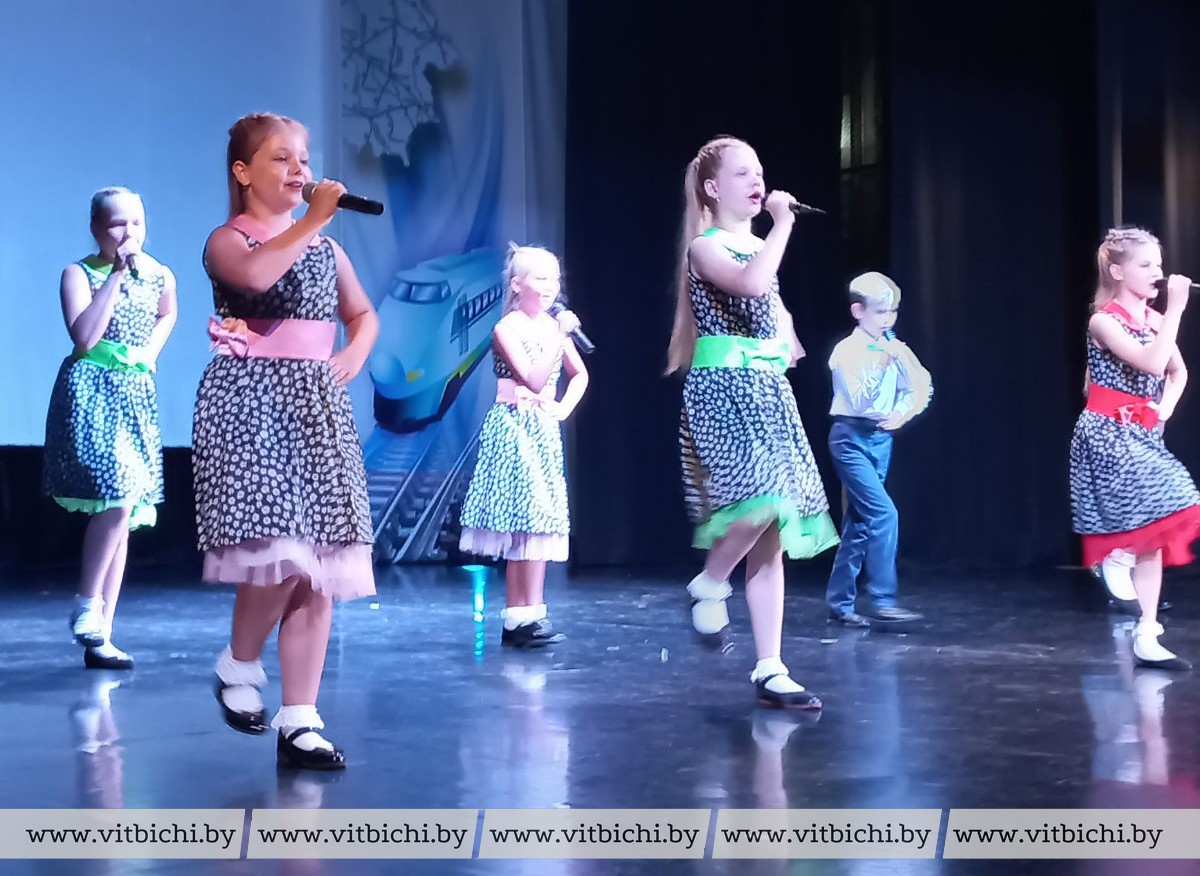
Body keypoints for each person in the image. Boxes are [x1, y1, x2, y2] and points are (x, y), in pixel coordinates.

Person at [194, 112, 379, 769]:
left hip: (315, 405)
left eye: (304, 159)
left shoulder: (327, 248)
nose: (300, 170)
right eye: (282, 158)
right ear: (243, 172)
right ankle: (239, 662)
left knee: (319, 565)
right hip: (254, 403)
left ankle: (300, 718)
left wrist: (354, 351)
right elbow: (255, 278)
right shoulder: (229, 240)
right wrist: (312, 221)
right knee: (283, 549)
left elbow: (362, 312)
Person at [667, 136, 838, 710]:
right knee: (763, 500)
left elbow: (774, 310)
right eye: (743, 173)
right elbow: (752, 284)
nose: (758, 181)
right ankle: (710, 581)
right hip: (722, 391)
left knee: (773, 532)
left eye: (760, 172)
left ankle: (771, 666)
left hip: (766, 392)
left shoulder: (759, 248)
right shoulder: (705, 247)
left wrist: (785, 340)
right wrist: (783, 224)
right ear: (713, 188)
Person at [45, 186, 177, 670]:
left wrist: (151, 354)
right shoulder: (79, 274)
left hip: (135, 395)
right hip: (91, 392)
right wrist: (118, 276)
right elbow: (84, 337)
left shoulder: (160, 274)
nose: (128, 233)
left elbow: (168, 312)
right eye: (118, 223)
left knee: (126, 509)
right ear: (97, 229)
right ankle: (86, 602)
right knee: (119, 494)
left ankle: (101, 634)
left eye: (136, 222)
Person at [1070, 226, 1200, 671]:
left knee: (1153, 532)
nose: (1156, 273)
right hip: (1106, 434)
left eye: (1158, 265)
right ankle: (1118, 554)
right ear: (1118, 271)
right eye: (1145, 265)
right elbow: (1151, 362)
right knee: (1174, 501)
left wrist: (1166, 407)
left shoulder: (1155, 321)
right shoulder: (1103, 321)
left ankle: (1146, 633)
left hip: (1143, 434)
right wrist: (1176, 309)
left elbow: (1177, 372)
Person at [458, 245, 588, 647]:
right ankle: (517, 617)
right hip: (514, 428)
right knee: (523, 520)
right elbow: (532, 378)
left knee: (542, 520)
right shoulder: (507, 329)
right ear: (517, 284)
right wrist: (559, 334)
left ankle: (532, 614)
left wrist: (564, 408)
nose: (551, 287)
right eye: (541, 278)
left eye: (555, 279)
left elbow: (579, 374)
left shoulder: (551, 327)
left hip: (543, 429)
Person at [825, 271, 931, 627]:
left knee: (859, 523)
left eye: (892, 312)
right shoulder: (847, 352)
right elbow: (859, 399)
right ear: (859, 311)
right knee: (884, 514)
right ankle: (883, 599)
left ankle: (840, 603)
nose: (888, 319)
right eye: (880, 312)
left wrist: (902, 413)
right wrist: (883, 363)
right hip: (850, 437)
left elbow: (921, 385)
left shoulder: (896, 348)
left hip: (880, 438)